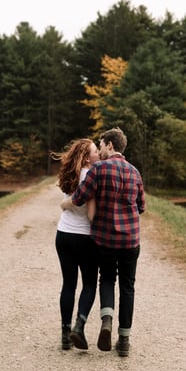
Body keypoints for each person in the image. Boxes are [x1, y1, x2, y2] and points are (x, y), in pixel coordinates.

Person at [64, 127, 145, 357]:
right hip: (130, 241)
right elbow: (141, 206)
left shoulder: (98, 169)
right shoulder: (135, 172)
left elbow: (79, 198)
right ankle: (124, 341)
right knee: (128, 286)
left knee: (107, 279)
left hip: (106, 240)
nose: (99, 151)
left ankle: (107, 321)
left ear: (110, 145)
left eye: (101, 146)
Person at [52, 138, 100, 351]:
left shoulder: (69, 174)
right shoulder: (90, 176)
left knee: (68, 283)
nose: (98, 153)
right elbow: (90, 216)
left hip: (63, 234)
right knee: (89, 283)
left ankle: (65, 333)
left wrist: (66, 205)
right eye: (95, 151)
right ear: (88, 157)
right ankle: (79, 325)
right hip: (83, 237)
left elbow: (67, 202)